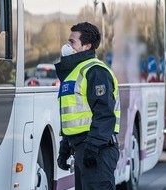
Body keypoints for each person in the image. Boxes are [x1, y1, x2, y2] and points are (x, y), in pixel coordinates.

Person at [55, 22, 120, 190]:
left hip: (98, 150)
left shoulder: (96, 71)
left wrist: (92, 147)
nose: (67, 46)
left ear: (87, 46)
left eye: (72, 42)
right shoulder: (75, 72)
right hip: (83, 149)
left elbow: (104, 114)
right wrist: (65, 146)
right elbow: (74, 116)